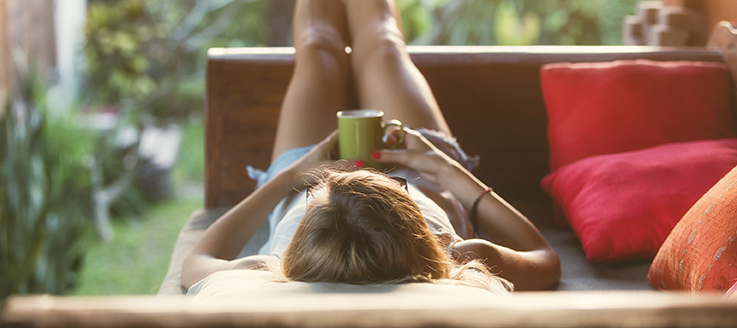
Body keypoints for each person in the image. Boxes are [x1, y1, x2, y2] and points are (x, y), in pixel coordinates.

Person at [181, 0, 560, 294]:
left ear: (310, 210)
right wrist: (441, 168)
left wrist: (293, 177)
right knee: (382, 44)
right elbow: (545, 259)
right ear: (407, 202)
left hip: (300, 171)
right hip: (419, 167)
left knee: (316, 49)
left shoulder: (275, 269)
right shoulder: (455, 258)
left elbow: (195, 261)